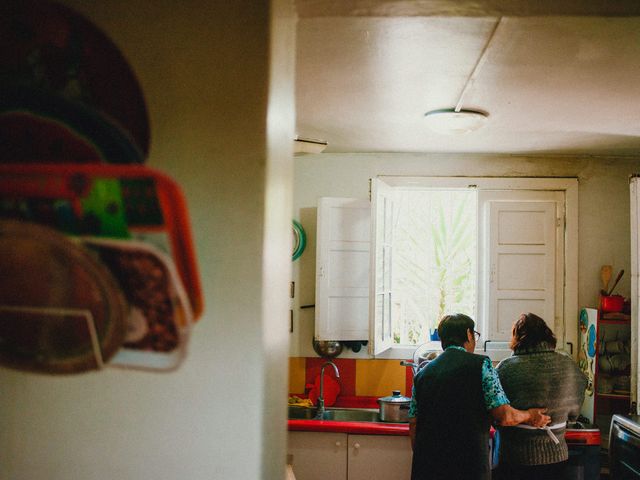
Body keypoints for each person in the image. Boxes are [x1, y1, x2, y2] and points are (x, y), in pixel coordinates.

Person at [409, 313, 550, 480]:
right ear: (469, 334)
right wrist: (530, 415)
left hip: (428, 467)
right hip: (468, 465)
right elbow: (504, 415)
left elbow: (414, 423)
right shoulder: (482, 365)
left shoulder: (422, 374)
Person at [493, 312, 588, 480]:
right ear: (547, 334)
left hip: (516, 457)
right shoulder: (569, 365)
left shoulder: (505, 369)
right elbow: (574, 416)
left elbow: (498, 417)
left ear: (517, 338)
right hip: (557, 456)